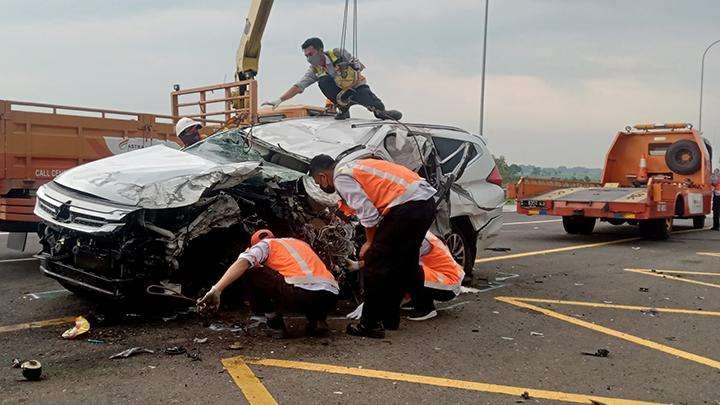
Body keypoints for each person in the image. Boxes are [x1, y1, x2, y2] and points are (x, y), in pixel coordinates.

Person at [309, 155, 436, 338]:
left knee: (375, 263)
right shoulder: (354, 165)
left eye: (317, 181)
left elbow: (367, 213)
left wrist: (370, 243)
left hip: (407, 206)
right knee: (405, 260)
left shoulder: (341, 177)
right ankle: (395, 317)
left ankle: (370, 325)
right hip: (424, 202)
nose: (321, 185)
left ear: (322, 176)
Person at [197, 229, 339, 338]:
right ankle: (318, 321)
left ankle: (274, 324)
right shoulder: (299, 243)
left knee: (251, 271)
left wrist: (217, 289)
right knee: (308, 282)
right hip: (331, 296)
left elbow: (244, 262)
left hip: (299, 295)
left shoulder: (265, 245)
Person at [261, 37, 402, 121]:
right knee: (323, 81)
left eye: (311, 54)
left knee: (372, 102)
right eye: (306, 56)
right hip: (341, 94)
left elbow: (357, 64)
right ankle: (343, 108)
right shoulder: (315, 70)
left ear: (320, 50)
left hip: (356, 86)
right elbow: (299, 86)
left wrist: (352, 64)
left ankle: (382, 112)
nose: (309, 58)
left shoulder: (337, 53)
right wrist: (280, 100)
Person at [407, 231, 465, 321]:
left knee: (407, 269)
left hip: (448, 286)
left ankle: (426, 308)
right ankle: (416, 301)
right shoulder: (418, 230)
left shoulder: (419, 238)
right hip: (444, 281)